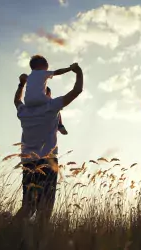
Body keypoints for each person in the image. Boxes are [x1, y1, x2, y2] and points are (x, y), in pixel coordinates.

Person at [14, 63, 83, 223]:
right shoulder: (51, 107)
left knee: (28, 207)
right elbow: (77, 90)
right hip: (48, 161)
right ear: (45, 93)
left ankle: (8, 234)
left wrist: (21, 84)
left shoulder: (23, 111)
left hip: (28, 162)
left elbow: (17, 100)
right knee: (45, 210)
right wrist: (78, 72)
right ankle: (38, 242)